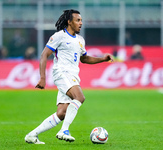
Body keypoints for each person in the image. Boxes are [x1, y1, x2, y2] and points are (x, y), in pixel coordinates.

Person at [24, 9, 114, 144]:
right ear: (69, 22)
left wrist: (103, 59)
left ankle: (32, 135)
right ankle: (64, 130)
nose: (81, 23)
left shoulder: (80, 40)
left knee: (61, 113)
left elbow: (84, 59)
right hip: (61, 73)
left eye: (81, 20)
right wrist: (42, 78)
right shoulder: (59, 36)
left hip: (72, 76)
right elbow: (44, 55)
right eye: (78, 20)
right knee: (80, 97)